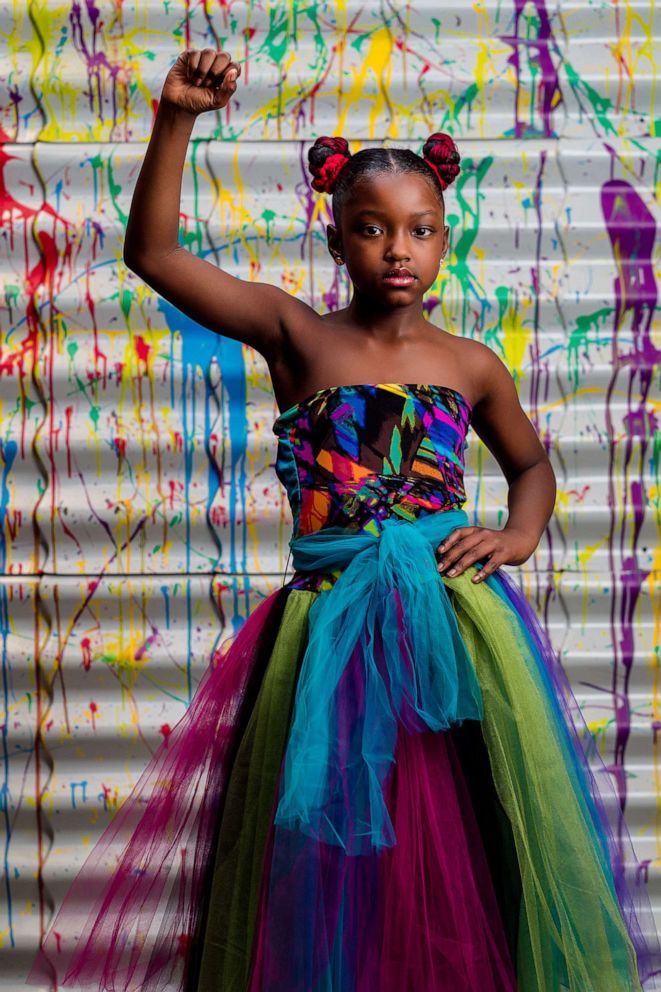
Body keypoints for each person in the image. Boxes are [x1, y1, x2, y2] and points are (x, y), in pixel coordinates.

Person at [28, 47, 661, 992]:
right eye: (370, 230)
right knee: (326, 859)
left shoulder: (470, 363)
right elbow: (152, 255)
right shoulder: (299, 337)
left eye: (419, 230)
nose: (396, 250)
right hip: (324, 635)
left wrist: (519, 533)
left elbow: (528, 466)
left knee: (472, 844)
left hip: (454, 633)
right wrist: (175, 119)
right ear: (337, 243)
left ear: (445, 239)